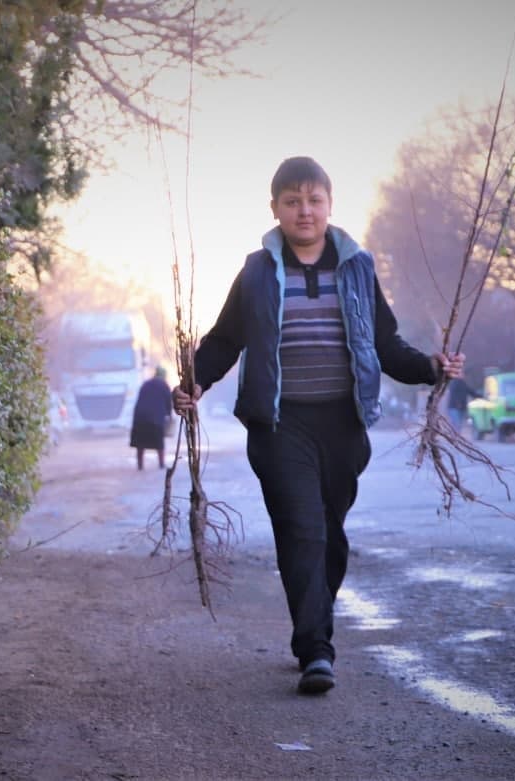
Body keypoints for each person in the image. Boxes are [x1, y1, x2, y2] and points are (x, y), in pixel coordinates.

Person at [172, 156, 465, 695]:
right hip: (279, 424)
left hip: (343, 424)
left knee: (328, 535)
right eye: (291, 202)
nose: (303, 211)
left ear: (329, 205)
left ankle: (313, 623)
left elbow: (384, 343)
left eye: (313, 200)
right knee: (301, 527)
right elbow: (223, 340)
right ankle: (316, 650)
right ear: (275, 210)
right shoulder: (256, 272)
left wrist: (429, 368)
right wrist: (194, 381)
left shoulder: (357, 267)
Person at [130, 366, 173, 470]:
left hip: (140, 417)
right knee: (159, 442)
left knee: (140, 443)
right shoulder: (164, 385)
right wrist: (169, 416)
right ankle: (161, 465)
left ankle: (140, 466)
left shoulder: (146, 384)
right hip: (156, 419)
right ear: (164, 375)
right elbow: (169, 403)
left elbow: (139, 400)